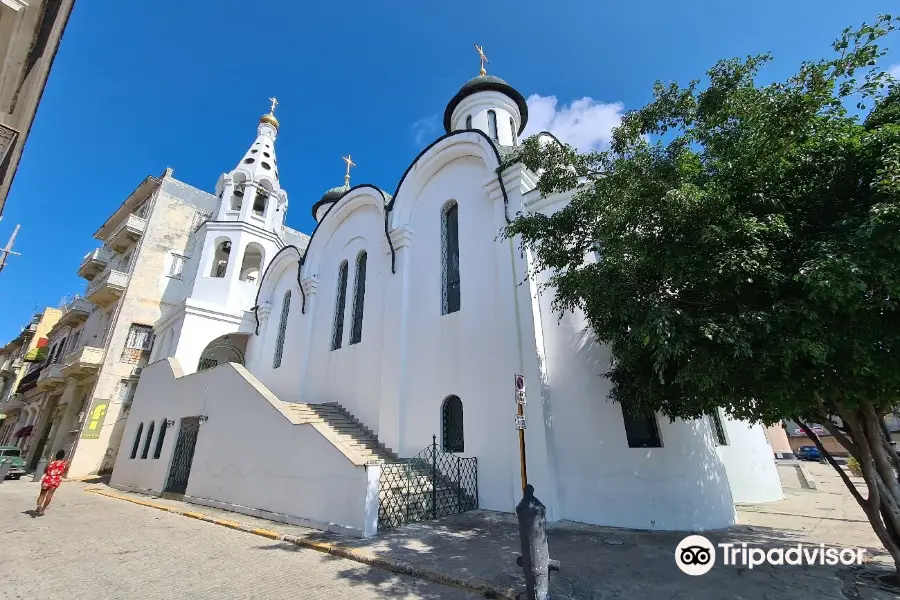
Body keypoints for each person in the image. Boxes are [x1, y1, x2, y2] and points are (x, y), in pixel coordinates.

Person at [35, 450, 67, 516]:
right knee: (49, 495)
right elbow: (65, 471)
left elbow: (45, 471)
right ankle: (43, 510)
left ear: (56, 456)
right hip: (56, 480)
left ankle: (39, 505)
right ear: (63, 456)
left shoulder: (50, 463)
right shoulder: (65, 464)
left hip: (48, 479)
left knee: (42, 494)